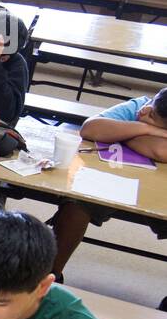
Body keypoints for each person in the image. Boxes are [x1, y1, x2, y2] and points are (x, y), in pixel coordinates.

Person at [51, 88, 167, 278]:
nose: (143, 112)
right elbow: (90, 129)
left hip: (160, 191)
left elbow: (161, 152)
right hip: (115, 178)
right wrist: (148, 129)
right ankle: (51, 274)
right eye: (150, 105)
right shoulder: (139, 106)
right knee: (77, 204)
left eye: (152, 117)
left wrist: (120, 133)